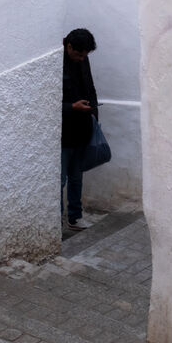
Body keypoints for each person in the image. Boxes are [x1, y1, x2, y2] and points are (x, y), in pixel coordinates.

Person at [61, 28, 98, 231]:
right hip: (63, 133)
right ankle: (56, 222)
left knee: (77, 177)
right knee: (59, 181)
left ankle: (75, 217)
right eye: (79, 54)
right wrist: (71, 107)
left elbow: (90, 87)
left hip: (82, 128)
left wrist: (94, 117)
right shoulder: (55, 60)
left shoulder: (83, 58)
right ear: (69, 46)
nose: (82, 59)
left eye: (85, 55)